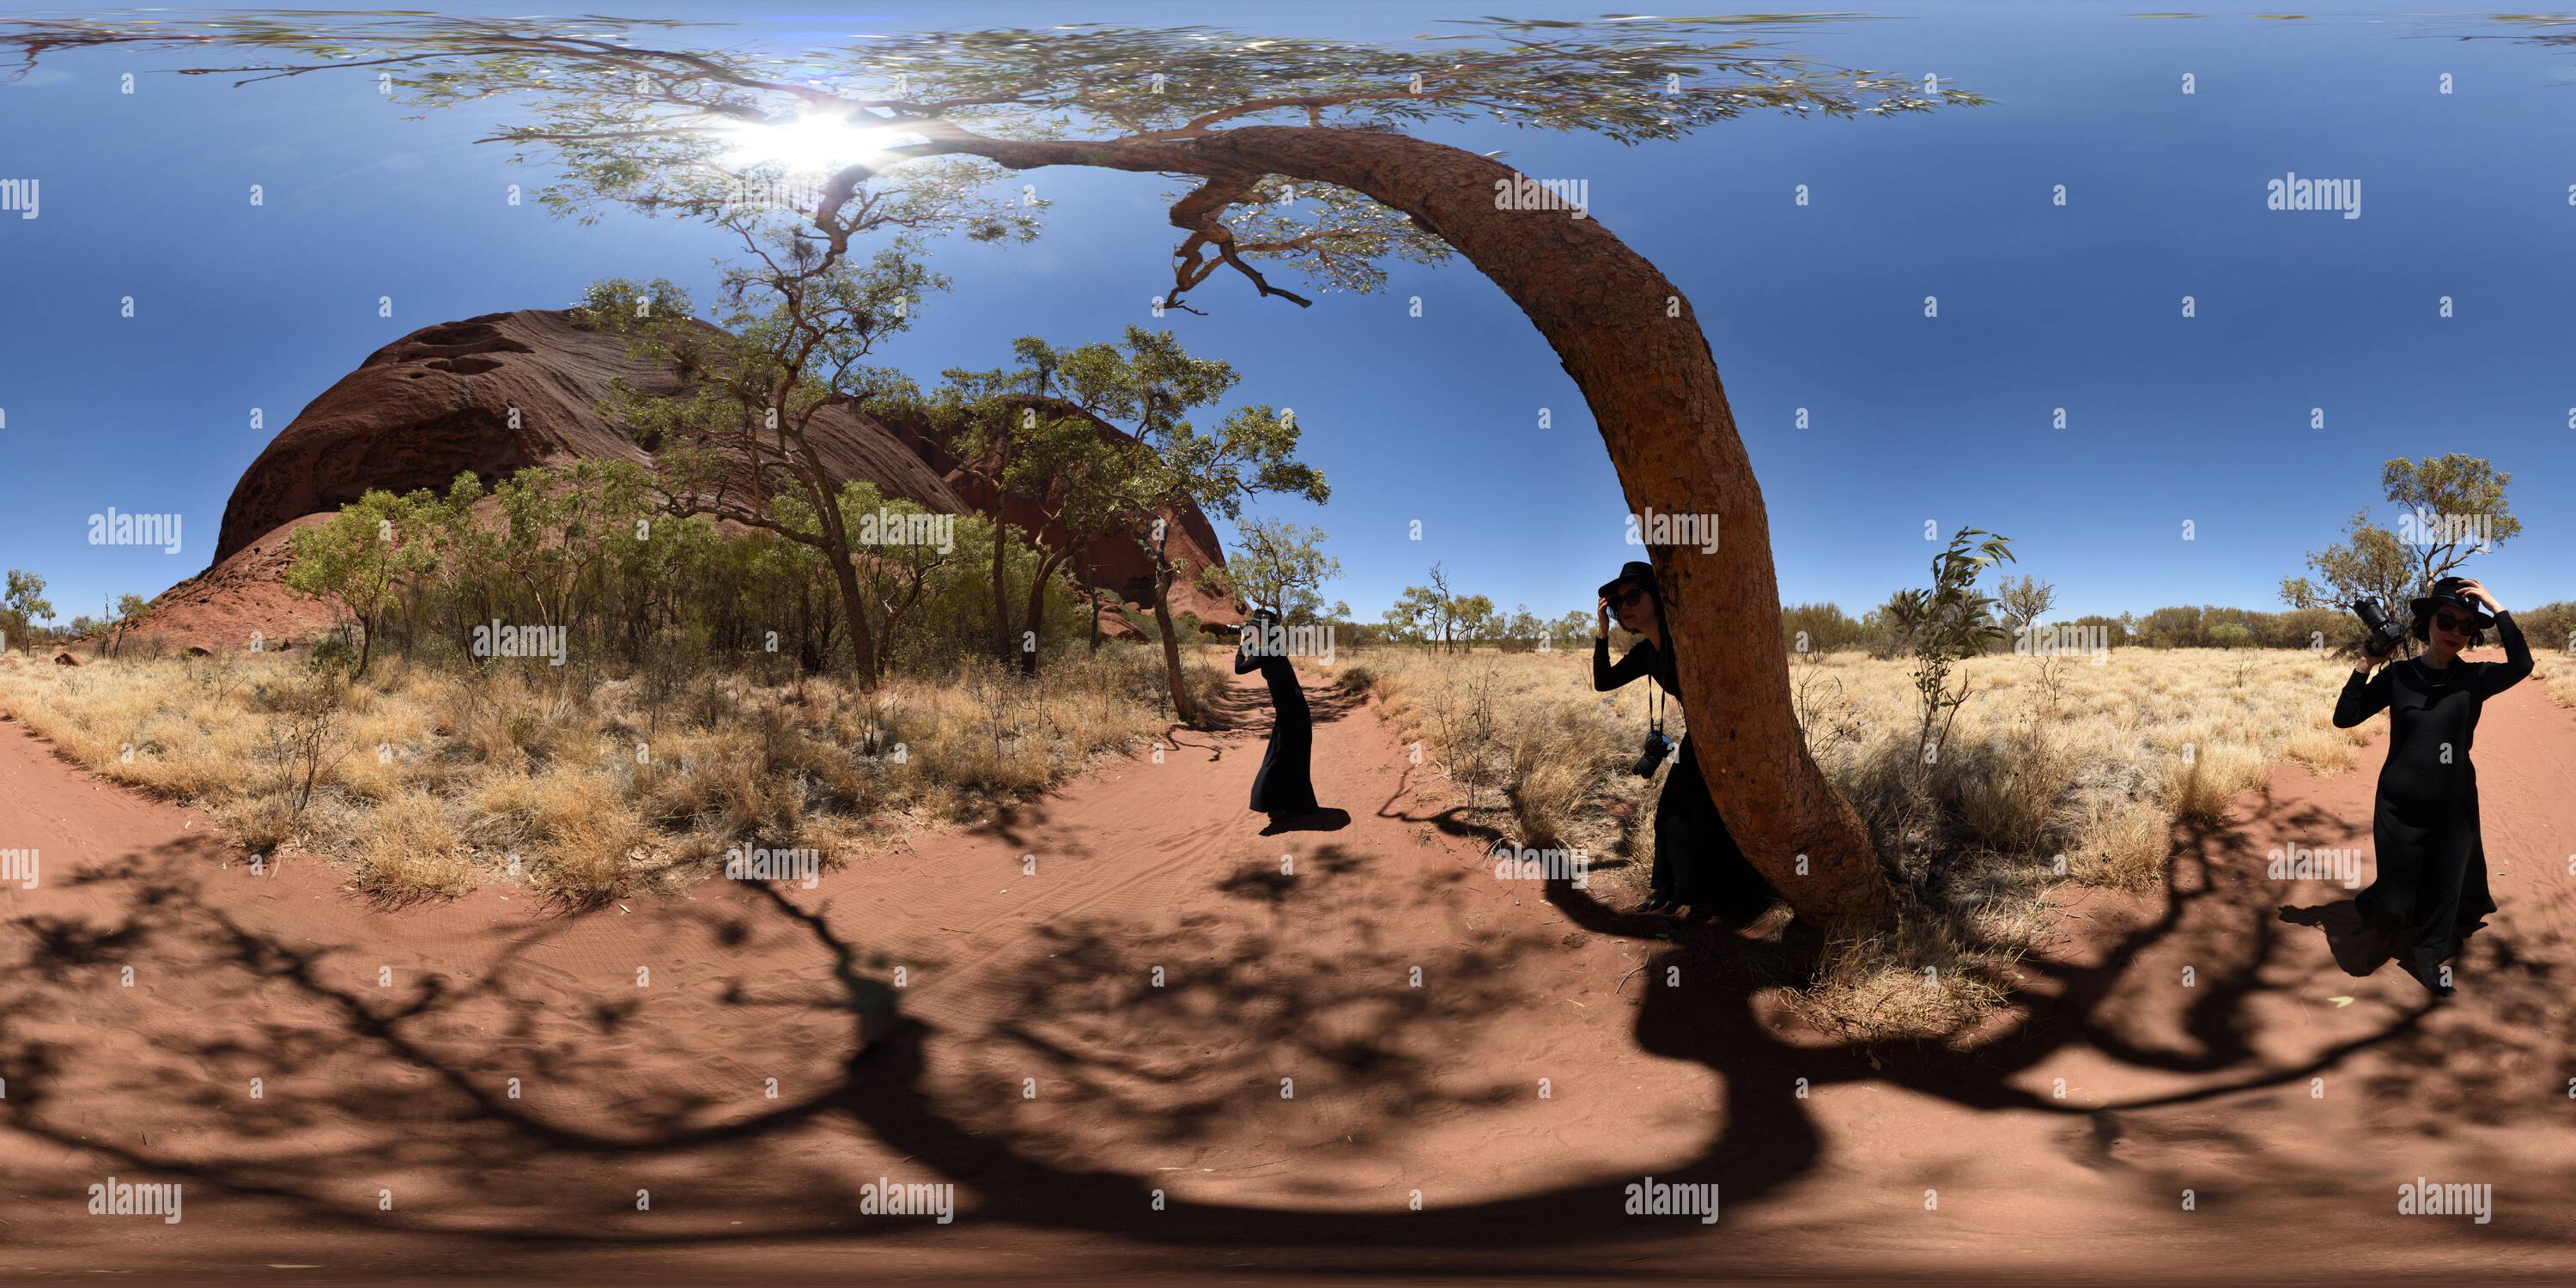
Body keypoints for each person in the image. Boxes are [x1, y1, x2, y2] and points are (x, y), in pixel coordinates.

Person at [2332, 575, 2530, 997]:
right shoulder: (2400, 676)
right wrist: (2365, 663)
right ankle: (2387, 928)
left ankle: (2429, 953)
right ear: (2428, 624)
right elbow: (2345, 717)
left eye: (2465, 626)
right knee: (2396, 884)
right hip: (2397, 804)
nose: (2455, 632)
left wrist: (2495, 606)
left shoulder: (2474, 679)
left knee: (2446, 885)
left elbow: (2522, 666)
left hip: (2453, 803)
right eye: (2446, 621)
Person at [1591, 561, 1779, 920]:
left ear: (1658, 596)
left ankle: (1722, 897)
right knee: (1670, 813)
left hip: (1734, 737)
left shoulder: (1690, 640)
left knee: (1704, 815)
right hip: (1701, 738)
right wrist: (1602, 633)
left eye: (1633, 596)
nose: (1625, 608)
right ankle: (1670, 890)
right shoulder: (1647, 652)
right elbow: (1603, 682)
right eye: (1617, 605)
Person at [1236, 606, 1320, 826]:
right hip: (1293, 711)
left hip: (1291, 713)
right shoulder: (1274, 649)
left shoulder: (1267, 653)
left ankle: (1274, 806)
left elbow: (1239, 668)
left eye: (1256, 629)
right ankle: (1291, 805)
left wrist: (1242, 643)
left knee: (1278, 758)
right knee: (1290, 756)